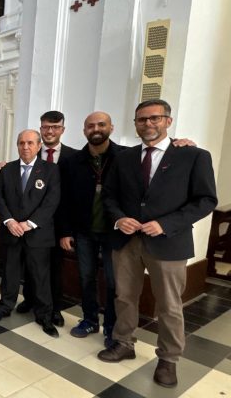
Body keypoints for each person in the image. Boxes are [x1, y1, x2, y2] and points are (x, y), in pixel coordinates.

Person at [98, 99, 217, 388]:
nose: (148, 124)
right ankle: (124, 342)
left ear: (168, 121)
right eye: (141, 120)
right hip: (127, 240)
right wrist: (118, 219)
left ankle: (169, 358)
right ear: (135, 124)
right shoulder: (124, 157)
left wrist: (167, 224)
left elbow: (206, 200)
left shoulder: (193, 156)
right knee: (124, 296)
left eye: (154, 118)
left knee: (169, 304)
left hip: (169, 242)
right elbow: (109, 196)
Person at [57, 112, 123, 346]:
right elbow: (64, 199)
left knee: (113, 282)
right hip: (84, 231)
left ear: (111, 128)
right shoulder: (72, 161)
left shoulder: (125, 157)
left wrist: (180, 144)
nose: (96, 129)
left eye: (101, 124)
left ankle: (112, 326)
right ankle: (90, 319)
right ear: (84, 130)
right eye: (90, 126)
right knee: (86, 278)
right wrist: (65, 231)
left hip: (114, 233)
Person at [0, 130, 61, 338]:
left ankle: (44, 316)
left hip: (38, 234)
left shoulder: (50, 170)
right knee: (9, 273)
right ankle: (4, 307)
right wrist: (10, 221)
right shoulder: (8, 170)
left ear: (39, 146)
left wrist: (29, 223)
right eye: (21, 143)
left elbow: (51, 201)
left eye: (30, 143)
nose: (25, 147)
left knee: (40, 276)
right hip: (12, 233)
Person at [17, 111, 78, 327]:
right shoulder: (31, 151)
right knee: (30, 265)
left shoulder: (74, 156)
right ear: (41, 129)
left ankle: (54, 309)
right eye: (45, 127)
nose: (50, 131)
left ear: (63, 129)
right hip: (30, 224)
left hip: (58, 225)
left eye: (55, 127)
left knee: (54, 268)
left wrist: (67, 230)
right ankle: (30, 299)